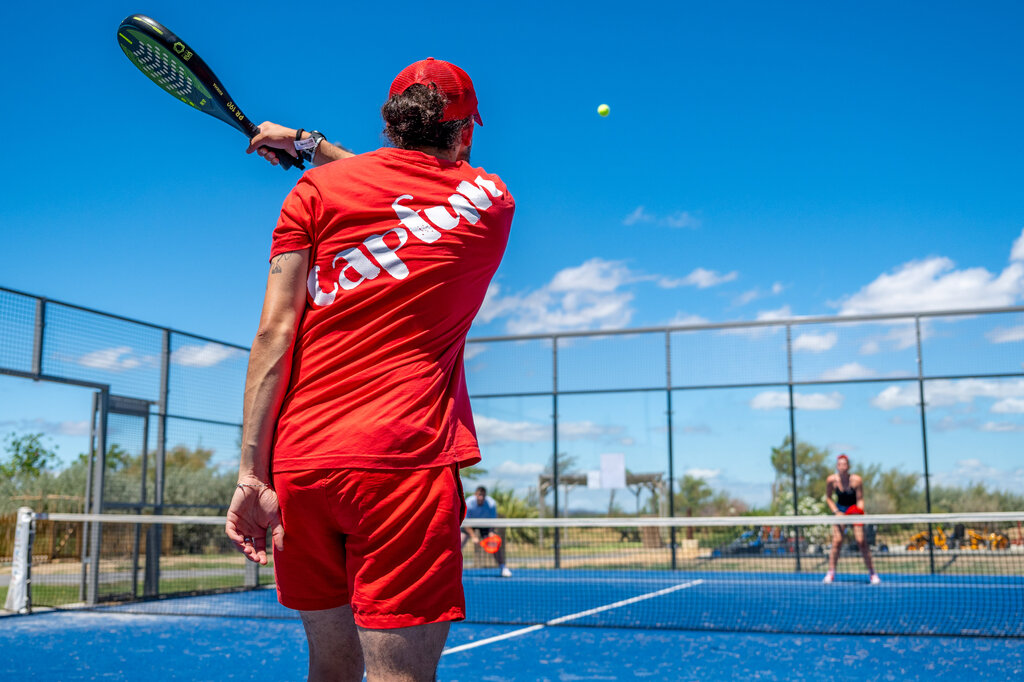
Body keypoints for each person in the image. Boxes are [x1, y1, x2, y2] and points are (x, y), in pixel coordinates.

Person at [224, 57, 515, 682]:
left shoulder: (311, 193)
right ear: (465, 132)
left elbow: (274, 331)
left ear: (391, 122)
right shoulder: (490, 200)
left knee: (329, 669)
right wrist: (312, 143)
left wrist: (251, 471)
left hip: (300, 466)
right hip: (402, 464)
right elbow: (410, 185)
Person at [823, 454, 880, 585]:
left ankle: (872, 573)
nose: (842, 466)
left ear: (848, 466)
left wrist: (859, 513)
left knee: (861, 541)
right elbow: (828, 497)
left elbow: (860, 499)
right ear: (837, 466)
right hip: (840, 511)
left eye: (844, 464)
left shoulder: (856, 480)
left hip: (854, 510)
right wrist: (836, 512)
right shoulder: (831, 480)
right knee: (837, 541)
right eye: (840, 464)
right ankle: (831, 572)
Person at [461, 486, 512, 577]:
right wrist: (473, 536)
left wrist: (491, 532)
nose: (481, 497)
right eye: (479, 495)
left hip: (485, 524)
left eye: (483, 495)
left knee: (494, 544)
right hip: (470, 523)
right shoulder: (468, 502)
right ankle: (452, 567)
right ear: (475, 495)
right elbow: (466, 522)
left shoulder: (491, 503)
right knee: (459, 543)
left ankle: (503, 567)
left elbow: (492, 521)